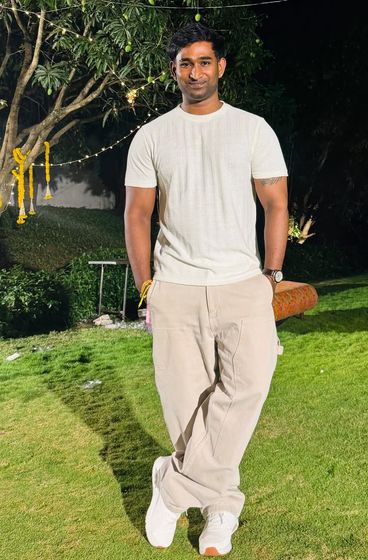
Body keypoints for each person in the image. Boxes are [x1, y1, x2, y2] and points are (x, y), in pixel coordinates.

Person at [124, 23, 288, 557]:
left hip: (243, 284)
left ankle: (172, 487)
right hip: (176, 287)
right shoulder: (151, 136)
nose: (194, 72)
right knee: (187, 405)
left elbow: (276, 204)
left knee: (248, 387)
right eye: (184, 63)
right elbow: (138, 214)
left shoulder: (253, 129)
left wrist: (272, 274)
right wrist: (146, 286)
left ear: (220, 66)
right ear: (174, 71)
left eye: (203, 61)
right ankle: (221, 510)